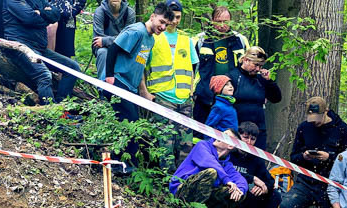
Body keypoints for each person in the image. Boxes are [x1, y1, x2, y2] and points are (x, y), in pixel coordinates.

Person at [146, 0, 199, 167]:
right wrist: (145, 92)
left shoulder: (186, 39)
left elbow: (192, 66)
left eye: (178, 17)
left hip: (184, 97)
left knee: (186, 144)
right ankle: (166, 177)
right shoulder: (154, 36)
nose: (175, 21)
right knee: (165, 143)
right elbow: (142, 65)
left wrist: (191, 89)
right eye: (172, 17)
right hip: (162, 95)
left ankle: (184, 177)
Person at [3, 0, 82, 105]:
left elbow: (56, 14)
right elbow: (31, 19)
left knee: (72, 67)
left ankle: (63, 105)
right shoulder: (13, 1)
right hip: (20, 47)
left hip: (40, 48)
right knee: (44, 75)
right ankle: (51, 111)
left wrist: (40, 13)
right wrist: (46, 16)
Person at [103, 7, 165, 120]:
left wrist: (143, 90)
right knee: (132, 120)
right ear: (152, 17)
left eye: (167, 24)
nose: (163, 27)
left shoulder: (151, 40)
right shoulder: (136, 31)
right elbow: (113, 48)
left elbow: (140, 65)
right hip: (118, 81)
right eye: (161, 22)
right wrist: (109, 77)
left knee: (132, 122)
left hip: (131, 87)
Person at [193, 4, 247, 121]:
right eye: (218, 21)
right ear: (212, 21)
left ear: (231, 21)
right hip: (205, 94)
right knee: (201, 129)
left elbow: (249, 68)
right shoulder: (200, 40)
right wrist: (192, 90)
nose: (222, 25)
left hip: (233, 95)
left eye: (225, 22)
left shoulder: (240, 40)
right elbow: (191, 67)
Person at [168, 136, 247, 208]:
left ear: (230, 146)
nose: (219, 136)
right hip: (181, 189)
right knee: (211, 172)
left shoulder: (227, 164)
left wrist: (240, 189)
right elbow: (209, 161)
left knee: (240, 192)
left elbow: (240, 179)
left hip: (203, 199)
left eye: (225, 136)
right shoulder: (202, 145)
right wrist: (226, 179)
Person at [231, 122, 282, 208]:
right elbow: (226, 171)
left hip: (248, 199)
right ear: (238, 136)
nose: (248, 142)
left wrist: (264, 188)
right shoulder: (230, 152)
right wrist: (252, 178)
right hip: (230, 191)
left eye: (252, 139)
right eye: (245, 137)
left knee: (275, 195)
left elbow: (270, 181)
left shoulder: (255, 158)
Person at [229, 47, 281, 138]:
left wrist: (269, 81)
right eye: (256, 65)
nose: (258, 69)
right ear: (246, 60)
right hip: (237, 129)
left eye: (260, 66)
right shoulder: (232, 76)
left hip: (258, 130)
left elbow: (276, 98)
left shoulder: (261, 79)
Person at [91, 0, 136, 78]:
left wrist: (105, 41)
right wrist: (121, 40)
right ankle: (102, 83)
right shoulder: (100, 12)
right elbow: (97, 40)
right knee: (102, 52)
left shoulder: (129, 13)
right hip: (105, 48)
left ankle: (126, 83)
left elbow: (129, 39)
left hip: (123, 48)